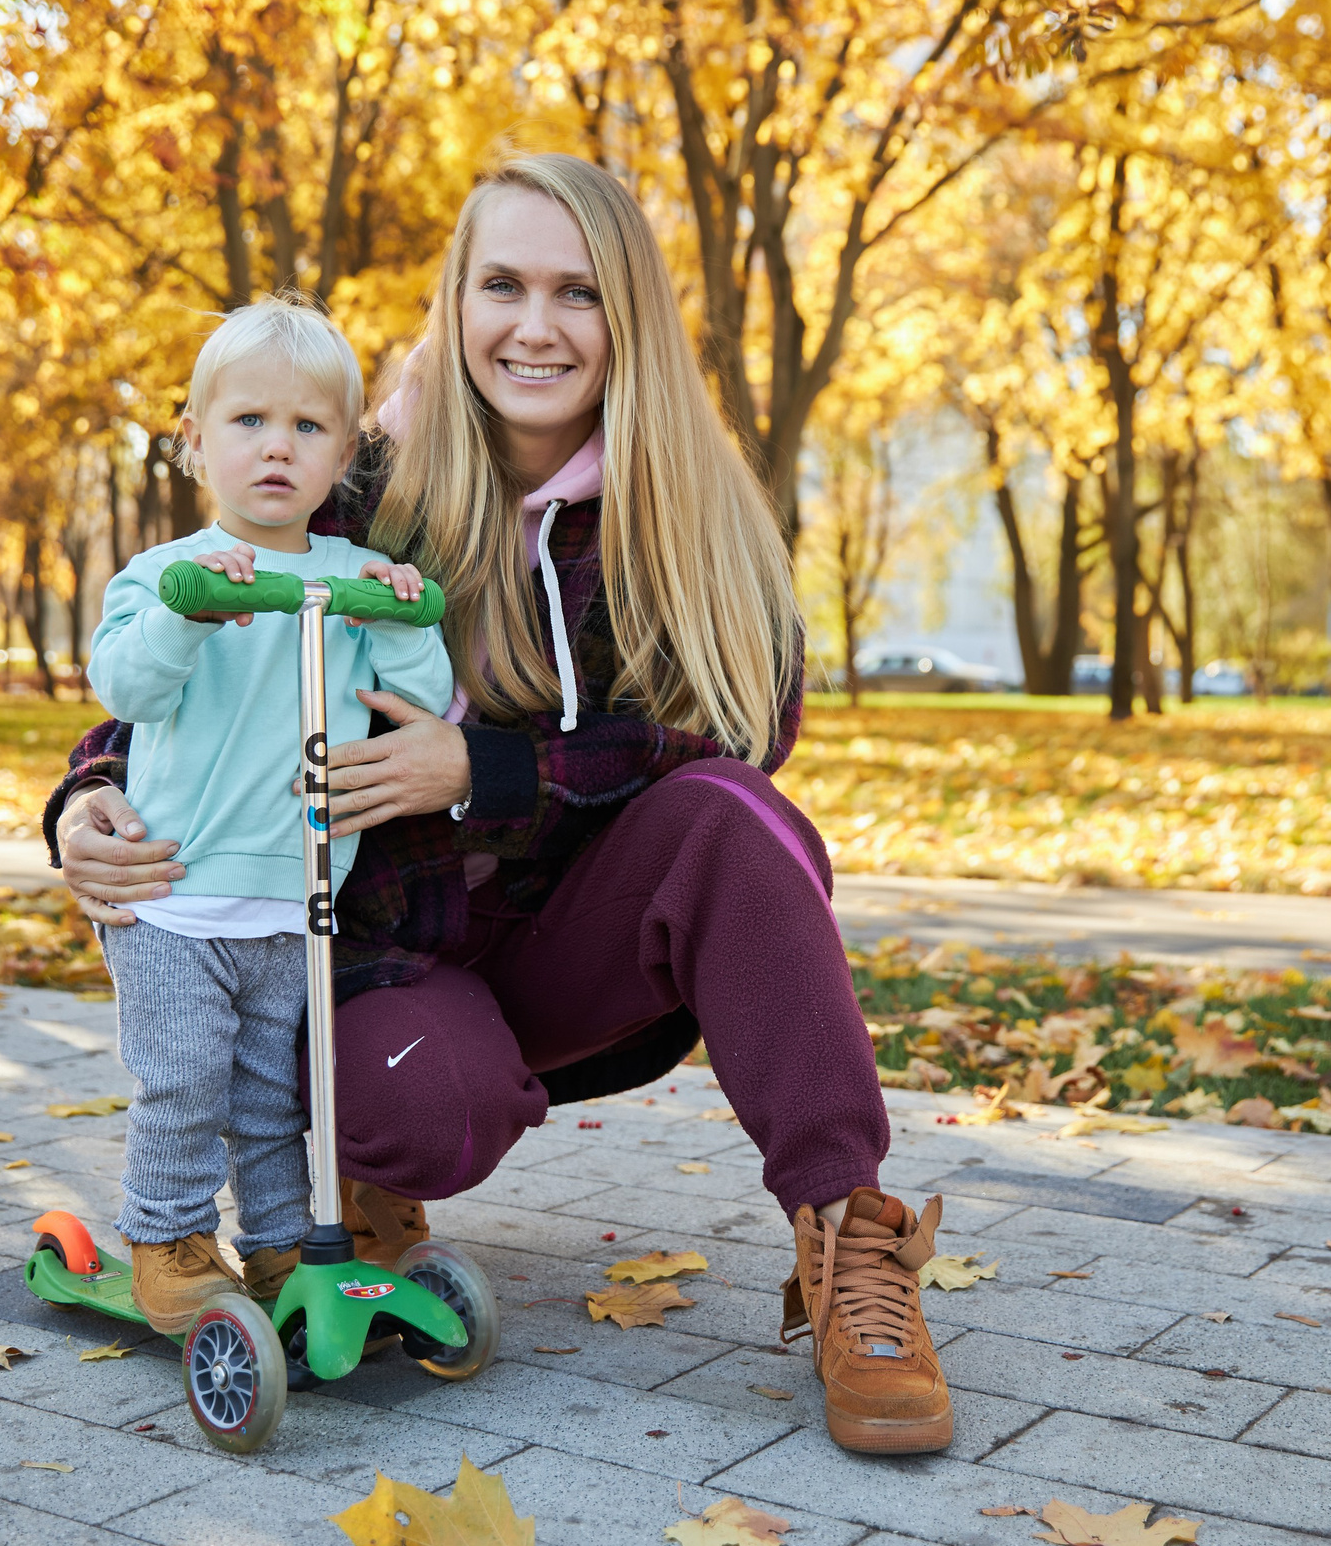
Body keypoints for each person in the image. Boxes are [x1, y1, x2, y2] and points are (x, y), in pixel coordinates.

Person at [46, 155, 954, 1453]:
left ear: (626, 314)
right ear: (455, 301)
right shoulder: (359, 492)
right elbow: (190, 677)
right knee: (422, 1106)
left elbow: (743, 731)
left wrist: (491, 768)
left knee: (733, 818)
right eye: (504, 285)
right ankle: (367, 1170)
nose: (537, 325)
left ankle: (848, 1234)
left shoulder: (688, 512)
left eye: (578, 291)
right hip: (388, 954)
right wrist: (86, 796)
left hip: (580, 942)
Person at [86, 292, 451, 1334]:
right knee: (184, 1082)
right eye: (248, 422)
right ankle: (166, 1236)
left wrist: (411, 606)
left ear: (343, 453)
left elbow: (415, 699)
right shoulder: (163, 576)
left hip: (295, 901)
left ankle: (285, 1240)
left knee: (270, 1095)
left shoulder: (347, 578)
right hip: (174, 899)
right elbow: (127, 689)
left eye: (307, 427)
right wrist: (186, 616)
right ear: (196, 442)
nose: (276, 448)